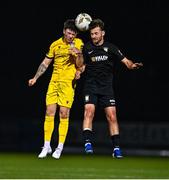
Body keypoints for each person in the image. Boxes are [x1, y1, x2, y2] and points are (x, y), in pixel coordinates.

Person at [81, 19, 143, 158]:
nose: (93, 36)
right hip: (91, 86)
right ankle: (87, 143)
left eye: (96, 33)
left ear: (103, 33)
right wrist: (79, 71)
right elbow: (82, 65)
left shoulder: (111, 48)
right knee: (89, 111)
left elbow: (127, 62)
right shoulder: (86, 48)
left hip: (106, 88)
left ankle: (116, 148)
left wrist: (133, 66)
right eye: (91, 34)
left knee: (112, 116)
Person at [28, 19, 84, 159]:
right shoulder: (55, 44)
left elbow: (81, 65)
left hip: (68, 83)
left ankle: (59, 147)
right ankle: (46, 145)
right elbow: (45, 63)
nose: (71, 36)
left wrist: (78, 54)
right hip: (54, 82)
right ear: (64, 31)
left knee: (63, 114)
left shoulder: (78, 43)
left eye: (73, 34)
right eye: (69, 33)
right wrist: (35, 78)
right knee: (49, 112)